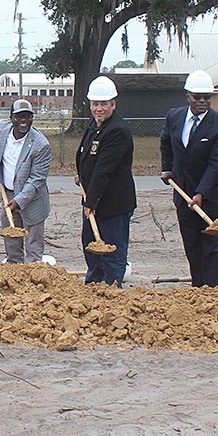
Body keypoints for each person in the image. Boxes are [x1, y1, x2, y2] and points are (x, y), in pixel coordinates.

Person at [159, 70, 218, 287]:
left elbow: (215, 165)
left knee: (212, 246)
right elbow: (165, 142)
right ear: (188, 96)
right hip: (183, 195)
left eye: (207, 97)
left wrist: (201, 193)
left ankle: (211, 291)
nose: (202, 101)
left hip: (211, 198)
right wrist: (168, 169)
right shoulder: (174, 116)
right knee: (191, 244)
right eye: (197, 96)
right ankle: (197, 289)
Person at [78, 76, 135, 284]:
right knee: (91, 247)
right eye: (95, 104)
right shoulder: (94, 126)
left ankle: (112, 291)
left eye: (103, 104)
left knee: (112, 250)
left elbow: (105, 170)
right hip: (93, 198)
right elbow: (88, 157)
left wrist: (91, 201)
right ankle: (93, 288)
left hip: (113, 204)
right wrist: (82, 176)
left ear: (113, 104)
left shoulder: (117, 131)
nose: (99, 108)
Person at [0, 98, 52, 264]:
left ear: (32, 118)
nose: (23, 120)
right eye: (19, 116)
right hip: (8, 194)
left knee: (33, 246)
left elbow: (36, 180)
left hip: (33, 200)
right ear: (11, 118)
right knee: (11, 240)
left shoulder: (41, 145)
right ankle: (14, 271)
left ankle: (33, 280)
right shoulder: (2, 129)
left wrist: (18, 201)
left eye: (27, 116)